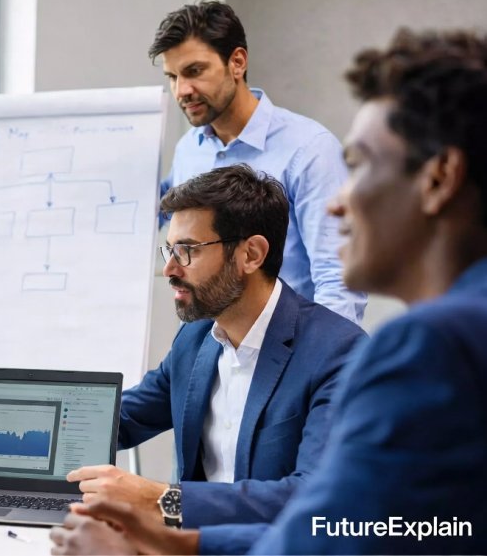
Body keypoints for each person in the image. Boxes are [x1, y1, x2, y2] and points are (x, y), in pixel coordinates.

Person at [51, 27, 487, 555]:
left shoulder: (418, 346)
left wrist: (155, 525)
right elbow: (385, 528)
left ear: (439, 178)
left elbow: (328, 532)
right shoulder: (196, 344)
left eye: (361, 165)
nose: (335, 204)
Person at [67, 165, 365, 530]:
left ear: (252, 254)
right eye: (170, 250)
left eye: (188, 250)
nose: (171, 269)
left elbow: (312, 496)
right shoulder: (194, 340)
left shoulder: (339, 353)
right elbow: (123, 420)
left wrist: (159, 499)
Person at [154, 0, 366, 324]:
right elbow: (147, 218)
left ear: (237, 62)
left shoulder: (309, 149)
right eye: (172, 77)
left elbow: (339, 279)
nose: (182, 90)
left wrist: (320, 363)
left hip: (287, 356)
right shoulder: (188, 150)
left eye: (194, 71)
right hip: (210, 354)